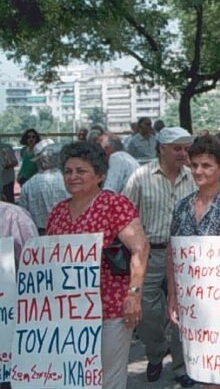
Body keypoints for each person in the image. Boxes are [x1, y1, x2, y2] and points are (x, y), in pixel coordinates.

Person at [47, 141, 149, 389]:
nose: (73, 177)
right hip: (70, 312)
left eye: (81, 171)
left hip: (111, 307)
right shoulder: (58, 212)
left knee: (108, 380)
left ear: (100, 175)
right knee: (75, 379)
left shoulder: (114, 205)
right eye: (68, 171)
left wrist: (134, 295)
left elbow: (140, 247)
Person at [123, 127, 197, 386]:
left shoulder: (195, 176)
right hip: (150, 254)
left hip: (184, 254)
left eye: (187, 148)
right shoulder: (140, 177)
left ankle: (180, 366)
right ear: (162, 149)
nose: (183, 153)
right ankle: (155, 353)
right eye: (177, 148)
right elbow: (125, 214)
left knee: (182, 312)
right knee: (148, 314)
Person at [166, 136, 220, 389]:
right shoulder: (183, 206)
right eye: (195, 165)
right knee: (201, 372)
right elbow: (172, 253)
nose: (199, 171)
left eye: (207, 165)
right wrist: (173, 296)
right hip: (192, 303)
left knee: (213, 376)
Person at [18, 140, 69, 233]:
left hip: (40, 232)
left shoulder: (28, 185)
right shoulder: (68, 180)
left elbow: (24, 215)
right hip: (66, 228)